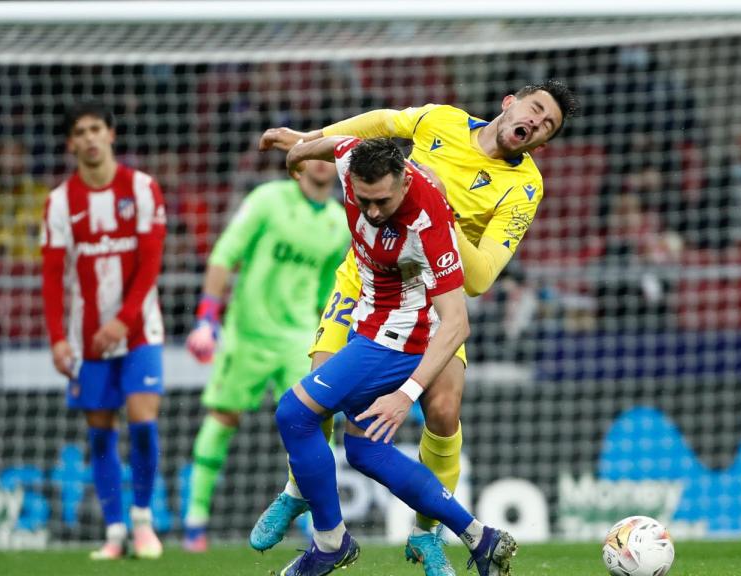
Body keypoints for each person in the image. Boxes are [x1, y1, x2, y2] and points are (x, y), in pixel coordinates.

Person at [253, 80, 577, 576]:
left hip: (432, 300)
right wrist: (307, 138)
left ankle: (426, 535)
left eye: (545, 125)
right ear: (509, 102)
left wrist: (443, 212)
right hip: (363, 279)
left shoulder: (523, 187)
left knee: (443, 412)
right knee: (317, 390)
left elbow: (482, 275)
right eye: (534, 109)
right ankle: (301, 493)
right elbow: (377, 125)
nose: (535, 123)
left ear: (542, 143)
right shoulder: (441, 120)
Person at [274, 136, 516, 576]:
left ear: (405, 181)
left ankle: (330, 541)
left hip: (397, 338)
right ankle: (482, 539)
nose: (371, 212)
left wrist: (406, 395)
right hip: (368, 316)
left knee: (294, 412)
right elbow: (343, 142)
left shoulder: (429, 222)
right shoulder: (355, 162)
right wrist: (301, 150)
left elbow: (458, 322)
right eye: (363, 200)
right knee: (364, 449)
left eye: (381, 201)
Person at [181, 160, 350, 552]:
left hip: (299, 337)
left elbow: (330, 286)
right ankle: (195, 521)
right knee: (224, 416)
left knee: (310, 421)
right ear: (300, 163)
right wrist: (207, 317)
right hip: (248, 333)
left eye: (330, 156)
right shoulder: (267, 200)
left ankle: (313, 522)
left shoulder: (339, 222)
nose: (322, 164)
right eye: (315, 154)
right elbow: (225, 255)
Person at [41, 100, 166, 560]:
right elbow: (53, 278)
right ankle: (114, 532)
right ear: (71, 142)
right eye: (81, 132)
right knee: (100, 434)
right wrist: (56, 337)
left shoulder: (143, 188)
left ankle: (143, 521)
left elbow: (151, 263)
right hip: (86, 337)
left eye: (97, 129)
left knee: (144, 424)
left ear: (110, 135)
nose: (90, 138)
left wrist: (122, 320)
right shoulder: (58, 202)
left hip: (139, 331)